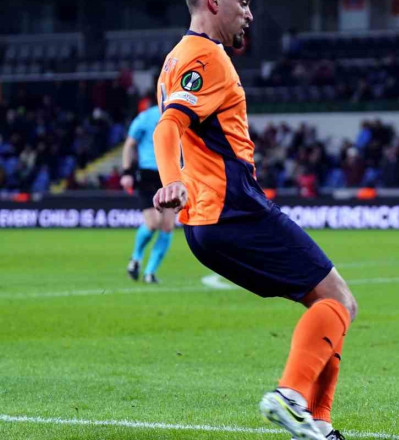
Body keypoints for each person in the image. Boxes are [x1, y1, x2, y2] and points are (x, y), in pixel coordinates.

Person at [152, 1, 357, 439]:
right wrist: (171, 181)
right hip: (233, 209)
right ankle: (292, 398)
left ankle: (320, 426)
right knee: (340, 301)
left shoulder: (175, 59)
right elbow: (166, 128)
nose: (249, 12)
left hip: (205, 222)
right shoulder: (206, 55)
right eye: (241, 2)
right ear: (213, 2)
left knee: (326, 303)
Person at [122, 104, 174, 284]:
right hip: (148, 174)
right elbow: (129, 144)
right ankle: (136, 258)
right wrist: (127, 172)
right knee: (153, 223)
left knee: (167, 226)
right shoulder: (146, 117)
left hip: (171, 174)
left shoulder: (183, 115)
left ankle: (150, 272)